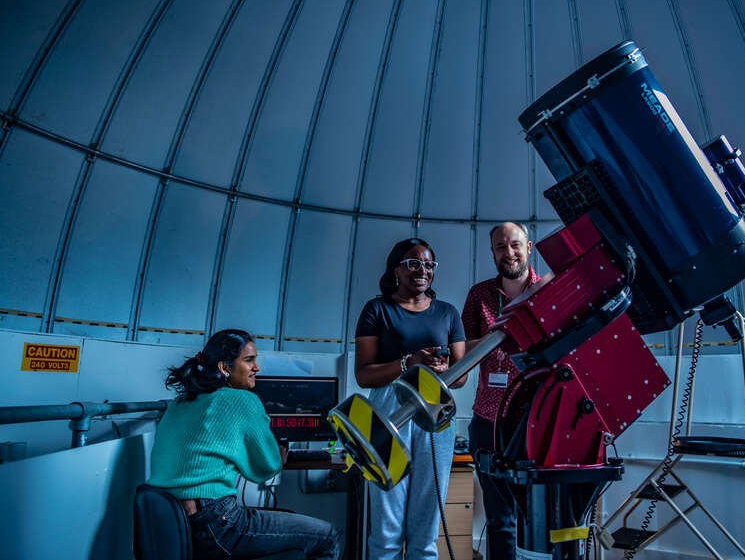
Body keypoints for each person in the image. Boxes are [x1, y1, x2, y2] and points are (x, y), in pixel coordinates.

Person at [148, 329, 340, 560]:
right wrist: (279, 456)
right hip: (215, 523)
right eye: (249, 360)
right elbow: (265, 469)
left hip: (170, 519)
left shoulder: (180, 402)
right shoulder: (240, 399)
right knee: (327, 536)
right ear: (224, 368)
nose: (256, 367)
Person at [354, 238, 467, 560]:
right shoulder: (377, 309)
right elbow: (363, 374)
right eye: (414, 263)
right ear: (396, 270)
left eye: (429, 265)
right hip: (388, 408)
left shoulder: (447, 313)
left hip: (435, 407)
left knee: (427, 519)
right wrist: (409, 363)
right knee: (388, 521)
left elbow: (460, 376)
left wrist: (445, 370)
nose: (423, 270)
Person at [461, 222, 542, 560]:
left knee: (541, 516)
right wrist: (502, 335)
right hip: (488, 421)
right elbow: (460, 350)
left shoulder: (549, 291)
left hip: (537, 422)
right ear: (492, 252)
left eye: (515, 245)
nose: (509, 253)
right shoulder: (479, 295)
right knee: (500, 520)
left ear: (529, 246)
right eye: (500, 247)